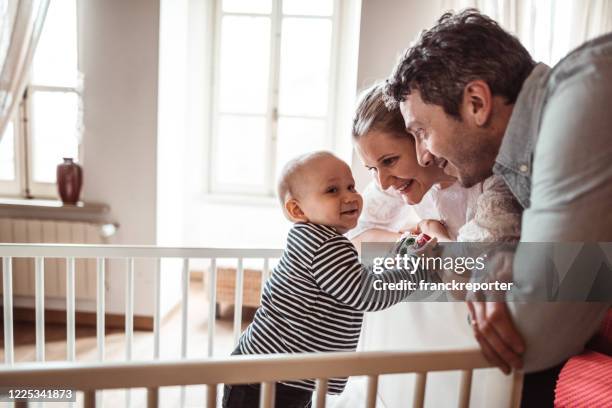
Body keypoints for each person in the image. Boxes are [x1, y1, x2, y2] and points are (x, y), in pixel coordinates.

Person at [383, 9, 612, 406]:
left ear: (476, 102)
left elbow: (536, 335)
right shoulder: (520, 161)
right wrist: (502, 265)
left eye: (422, 132)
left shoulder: (581, 102)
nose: (422, 156)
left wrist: (496, 277)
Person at [344, 83, 522, 407]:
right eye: (372, 168)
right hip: (421, 331)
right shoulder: (395, 184)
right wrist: (413, 238)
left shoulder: (484, 186)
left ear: (420, 137)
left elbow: (472, 271)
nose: (382, 181)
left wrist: (434, 234)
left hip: (473, 328)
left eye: (389, 161)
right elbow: (353, 235)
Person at [223, 151, 433, 408]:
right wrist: (419, 267)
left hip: (280, 372)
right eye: (332, 190)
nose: (350, 196)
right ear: (297, 209)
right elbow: (368, 294)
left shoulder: (312, 238)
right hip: (272, 378)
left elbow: (357, 280)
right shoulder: (325, 246)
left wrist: (402, 254)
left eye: (351, 186)